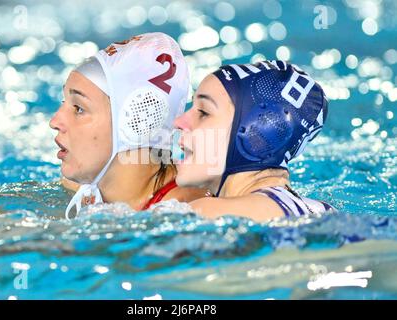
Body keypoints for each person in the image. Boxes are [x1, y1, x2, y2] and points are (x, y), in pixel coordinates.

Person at [49, 32, 209, 219]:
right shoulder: (82, 188)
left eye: (79, 108)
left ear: (137, 121)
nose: (55, 122)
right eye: (63, 101)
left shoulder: (190, 213)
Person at [173, 60, 336, 222]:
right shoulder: (322, 210)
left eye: (203, 112)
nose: (179, 121)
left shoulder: (208, 212)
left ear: (257, 136)